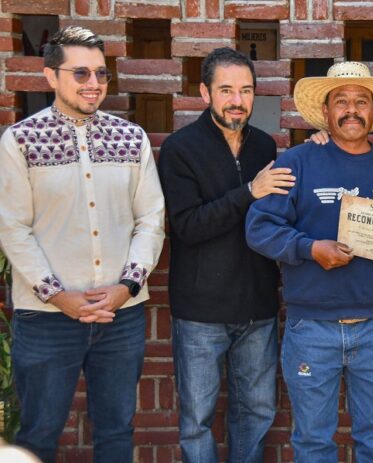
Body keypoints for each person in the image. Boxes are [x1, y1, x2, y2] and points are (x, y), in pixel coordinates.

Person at [0, 26, 165, 462]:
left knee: (116, 433)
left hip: (121, 315)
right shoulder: (19, 141)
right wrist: (59, 295)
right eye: (81, 74)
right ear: (50, 76)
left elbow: (151, 219)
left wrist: (126, 287)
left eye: (101, 74)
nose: (94, 84)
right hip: (46, 318)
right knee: (37, 434)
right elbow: (12, 228)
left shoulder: (132, 139)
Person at [245, 61, 373, 462]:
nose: (352, 110)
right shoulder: (298, 163)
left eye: (362, 101)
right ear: (325, 112)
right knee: (312, 442)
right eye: (341, 101)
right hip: (312, 329)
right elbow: (259, 229)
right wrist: (311, 249)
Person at [157, 47, 295, 463]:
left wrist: (319, 143)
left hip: (258, 307)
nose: (238, 100)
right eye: (227, 90)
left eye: (246, 90)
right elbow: (187, 226)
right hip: (200, 312)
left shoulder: (264, 147)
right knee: (197, 420)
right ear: (205, 92)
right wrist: (248, 192)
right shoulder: (180, 149)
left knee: (256, 411)